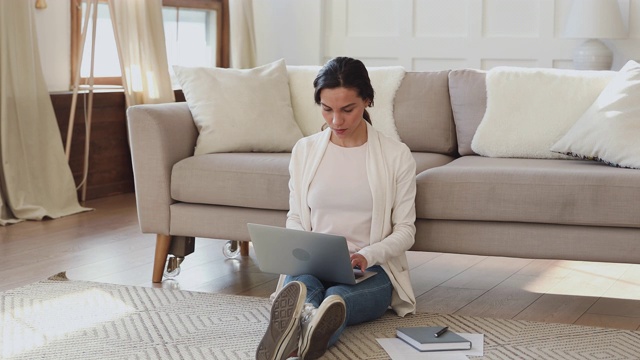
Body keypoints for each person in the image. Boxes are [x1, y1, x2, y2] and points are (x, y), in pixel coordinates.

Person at [256, 57, 417, 360]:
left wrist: (366, 255)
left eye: (347, 110)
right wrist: (302, 247)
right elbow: (295, 216)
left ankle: (298, 331)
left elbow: (406, 231)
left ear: (367, 101)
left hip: (370, 271)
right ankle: (306, 333)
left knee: (337, 299)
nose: (336, 121)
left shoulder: (397, 156)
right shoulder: (304, 151)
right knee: (304, 287)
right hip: (311, 266)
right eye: (327, 109)